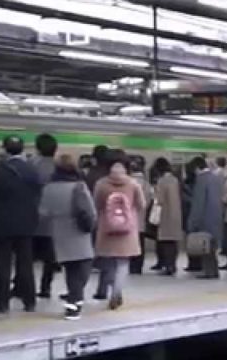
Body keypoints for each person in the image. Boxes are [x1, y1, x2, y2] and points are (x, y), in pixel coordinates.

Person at [0, 136, 42, 313]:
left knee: (4, 265)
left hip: (5, 224)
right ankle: (30, 302)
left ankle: (3, 303)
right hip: (27, 223)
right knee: (25, 263)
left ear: (5, 150)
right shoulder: (31, 170)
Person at [38, 155, 96, 320]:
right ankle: (74, 301)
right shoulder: (79, 186)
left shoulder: (48, 188)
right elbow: (90, 211)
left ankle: (74, 299)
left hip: (59, 232)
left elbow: (43, 213)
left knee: (71, 268)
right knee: (84, 265)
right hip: (79, 231)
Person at [94, 156, 145, 309]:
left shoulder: (101, 184)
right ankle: (117, 293)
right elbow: (142, 204)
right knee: (123, 263)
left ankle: (112, 290)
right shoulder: (133, 184)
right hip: (126, 230)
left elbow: (96, 204)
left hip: (107, 229)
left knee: (109, 263)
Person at [187, 156, 225, 279]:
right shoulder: (217, 178)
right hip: (217, 216)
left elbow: (198, 203)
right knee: (212, 247)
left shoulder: (201, 180)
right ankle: (213, 270)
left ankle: (209, 271)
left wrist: (192, 222)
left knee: (205, 247)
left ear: (197, 168)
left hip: (205, 218)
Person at [32, 133, 59, 298]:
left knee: (27, 256)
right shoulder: (59, 167)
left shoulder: (32, 166)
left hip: (33, 218)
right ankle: (45, 287)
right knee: (50, 258)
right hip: (54, 220)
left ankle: (22, 286)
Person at [152, 158, 184, 276]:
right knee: (173, 242)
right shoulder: (176, 180)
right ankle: (173, 265)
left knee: (166, 242)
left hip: (165, 214)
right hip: (176, 214)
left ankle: (168, 266)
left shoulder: (162, 181)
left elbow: (159, 200)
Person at [128, 157, 154, 275]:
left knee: (129, 243)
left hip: (128, 219)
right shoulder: (146, 184)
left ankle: (131, 266)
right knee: (140, 243)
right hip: (141, 217)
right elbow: (149, 200)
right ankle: (138, 266)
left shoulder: (127, 183)